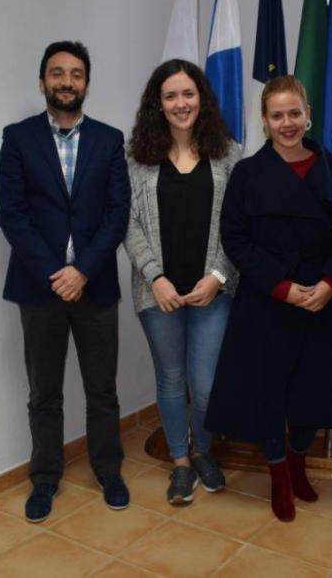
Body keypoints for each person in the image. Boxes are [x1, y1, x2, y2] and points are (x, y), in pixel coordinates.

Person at [205, 75, 332, 522]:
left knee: (316, 391)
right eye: (278, 115)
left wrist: (330, 283)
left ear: (308, 113)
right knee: (268, 393)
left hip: (321, 298)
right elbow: (235, 239)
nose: (287, 123)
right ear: (265, 120)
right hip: (268, 299)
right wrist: (281, 286)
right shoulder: (248, 173)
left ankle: (297, 459)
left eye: (295, 113)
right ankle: (277, 472)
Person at [0, 41, 132, 521]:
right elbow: (12, 216)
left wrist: (83, 270)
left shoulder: (110, 140)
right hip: (39, 288)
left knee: (103, 391)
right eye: (57, 73)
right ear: (42, 82)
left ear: (87, 85)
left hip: (94, 286)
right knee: (44, 393)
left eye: (76, 74)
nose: (67, 81)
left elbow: (118, 215)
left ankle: (109, 471)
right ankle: (45, 479)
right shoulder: (17, 138)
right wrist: (57, 274)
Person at [123, 59, 242, 505]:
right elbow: (128, 223)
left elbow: (238, 223)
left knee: (206, 383)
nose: (180, 103)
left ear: (202, 99)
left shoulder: (229, 153)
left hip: (213, 291)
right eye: (170, 95)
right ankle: (180, 462)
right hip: (160, 295)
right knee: (171, 381)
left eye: (187, 94)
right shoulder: (135, 158)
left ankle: (204, 448)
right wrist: (154, 278)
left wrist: (217, 275)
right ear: (158, 103)